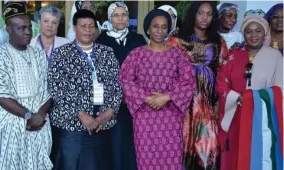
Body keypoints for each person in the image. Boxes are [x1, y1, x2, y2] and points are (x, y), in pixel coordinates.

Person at [119, 9, 196, 170]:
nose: (159, 31)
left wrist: (167, 97)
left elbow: (188, 81)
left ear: (169, 30)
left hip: (171, 116)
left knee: (172, 159)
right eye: (155, 26)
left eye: (164, 27)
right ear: (148, 29)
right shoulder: (137, 54)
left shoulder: (177, 55)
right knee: (146, 159)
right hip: (144, 117)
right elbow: (125, 80)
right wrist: (146, 98)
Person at [0, 3, 52, 169]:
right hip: (9, 125)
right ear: (8, 29)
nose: (27, 32)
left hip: (38, 124)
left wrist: (39, 115)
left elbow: (48, 89)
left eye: (28, 27)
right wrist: (28, 115)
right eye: (20, 28)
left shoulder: (39, 54)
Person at [48, 9, 122, 170]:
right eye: (83, 26)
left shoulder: (106, 52)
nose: (88, 30)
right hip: (73, 127)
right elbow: (56, 88)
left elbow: (118, 84)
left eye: (91, 26)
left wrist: (109, 112)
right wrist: (81, 114)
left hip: (103, 125)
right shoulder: (62, 54)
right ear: (74, 28)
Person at [216, 15, 283, 170]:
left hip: (263, 118)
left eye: (258, 31)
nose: (253, 35)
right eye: (249, 31)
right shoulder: (233, 56)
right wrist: (237, 98)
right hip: (235, 113)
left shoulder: (276, 57)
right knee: (235, 153)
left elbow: (281, 89)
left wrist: (254, 98)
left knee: (259, 154)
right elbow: (221, 85)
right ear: (243, 34)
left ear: (265, 33)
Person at [168, 1, 228, 169]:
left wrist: (218, 102)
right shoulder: (177, 39)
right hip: (182, 102)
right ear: (193, 14)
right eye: (200, 13)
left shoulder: (219, 42)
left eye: (209, 14)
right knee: (182, 143)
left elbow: (223, 72)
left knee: (208, 146)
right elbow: (169, 71)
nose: (204, 17)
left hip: (207, 103)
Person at [96, 2, 146, 170]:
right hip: (111, 102)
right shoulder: (101, 40)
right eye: (116, 15)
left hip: (134, 101)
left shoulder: (138, 39)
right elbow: (97, 73)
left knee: (134, 141)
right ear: (110, 18)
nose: (120, 18)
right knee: (115, 142)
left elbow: (145, 68)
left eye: (123, 15)